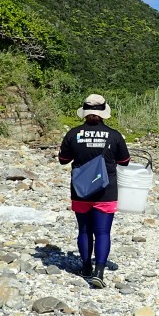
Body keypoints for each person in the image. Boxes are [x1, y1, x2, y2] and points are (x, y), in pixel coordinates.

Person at [58, 94, 130, 288]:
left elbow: (63, 160)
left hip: (80, 189)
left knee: (84, 229)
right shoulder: (114, 135)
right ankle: (99, 272)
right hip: (106, 190)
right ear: (104, 113)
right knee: (103, 231)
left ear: (85, 112)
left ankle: (86, 266)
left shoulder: (73, 134)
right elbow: (125, 161)